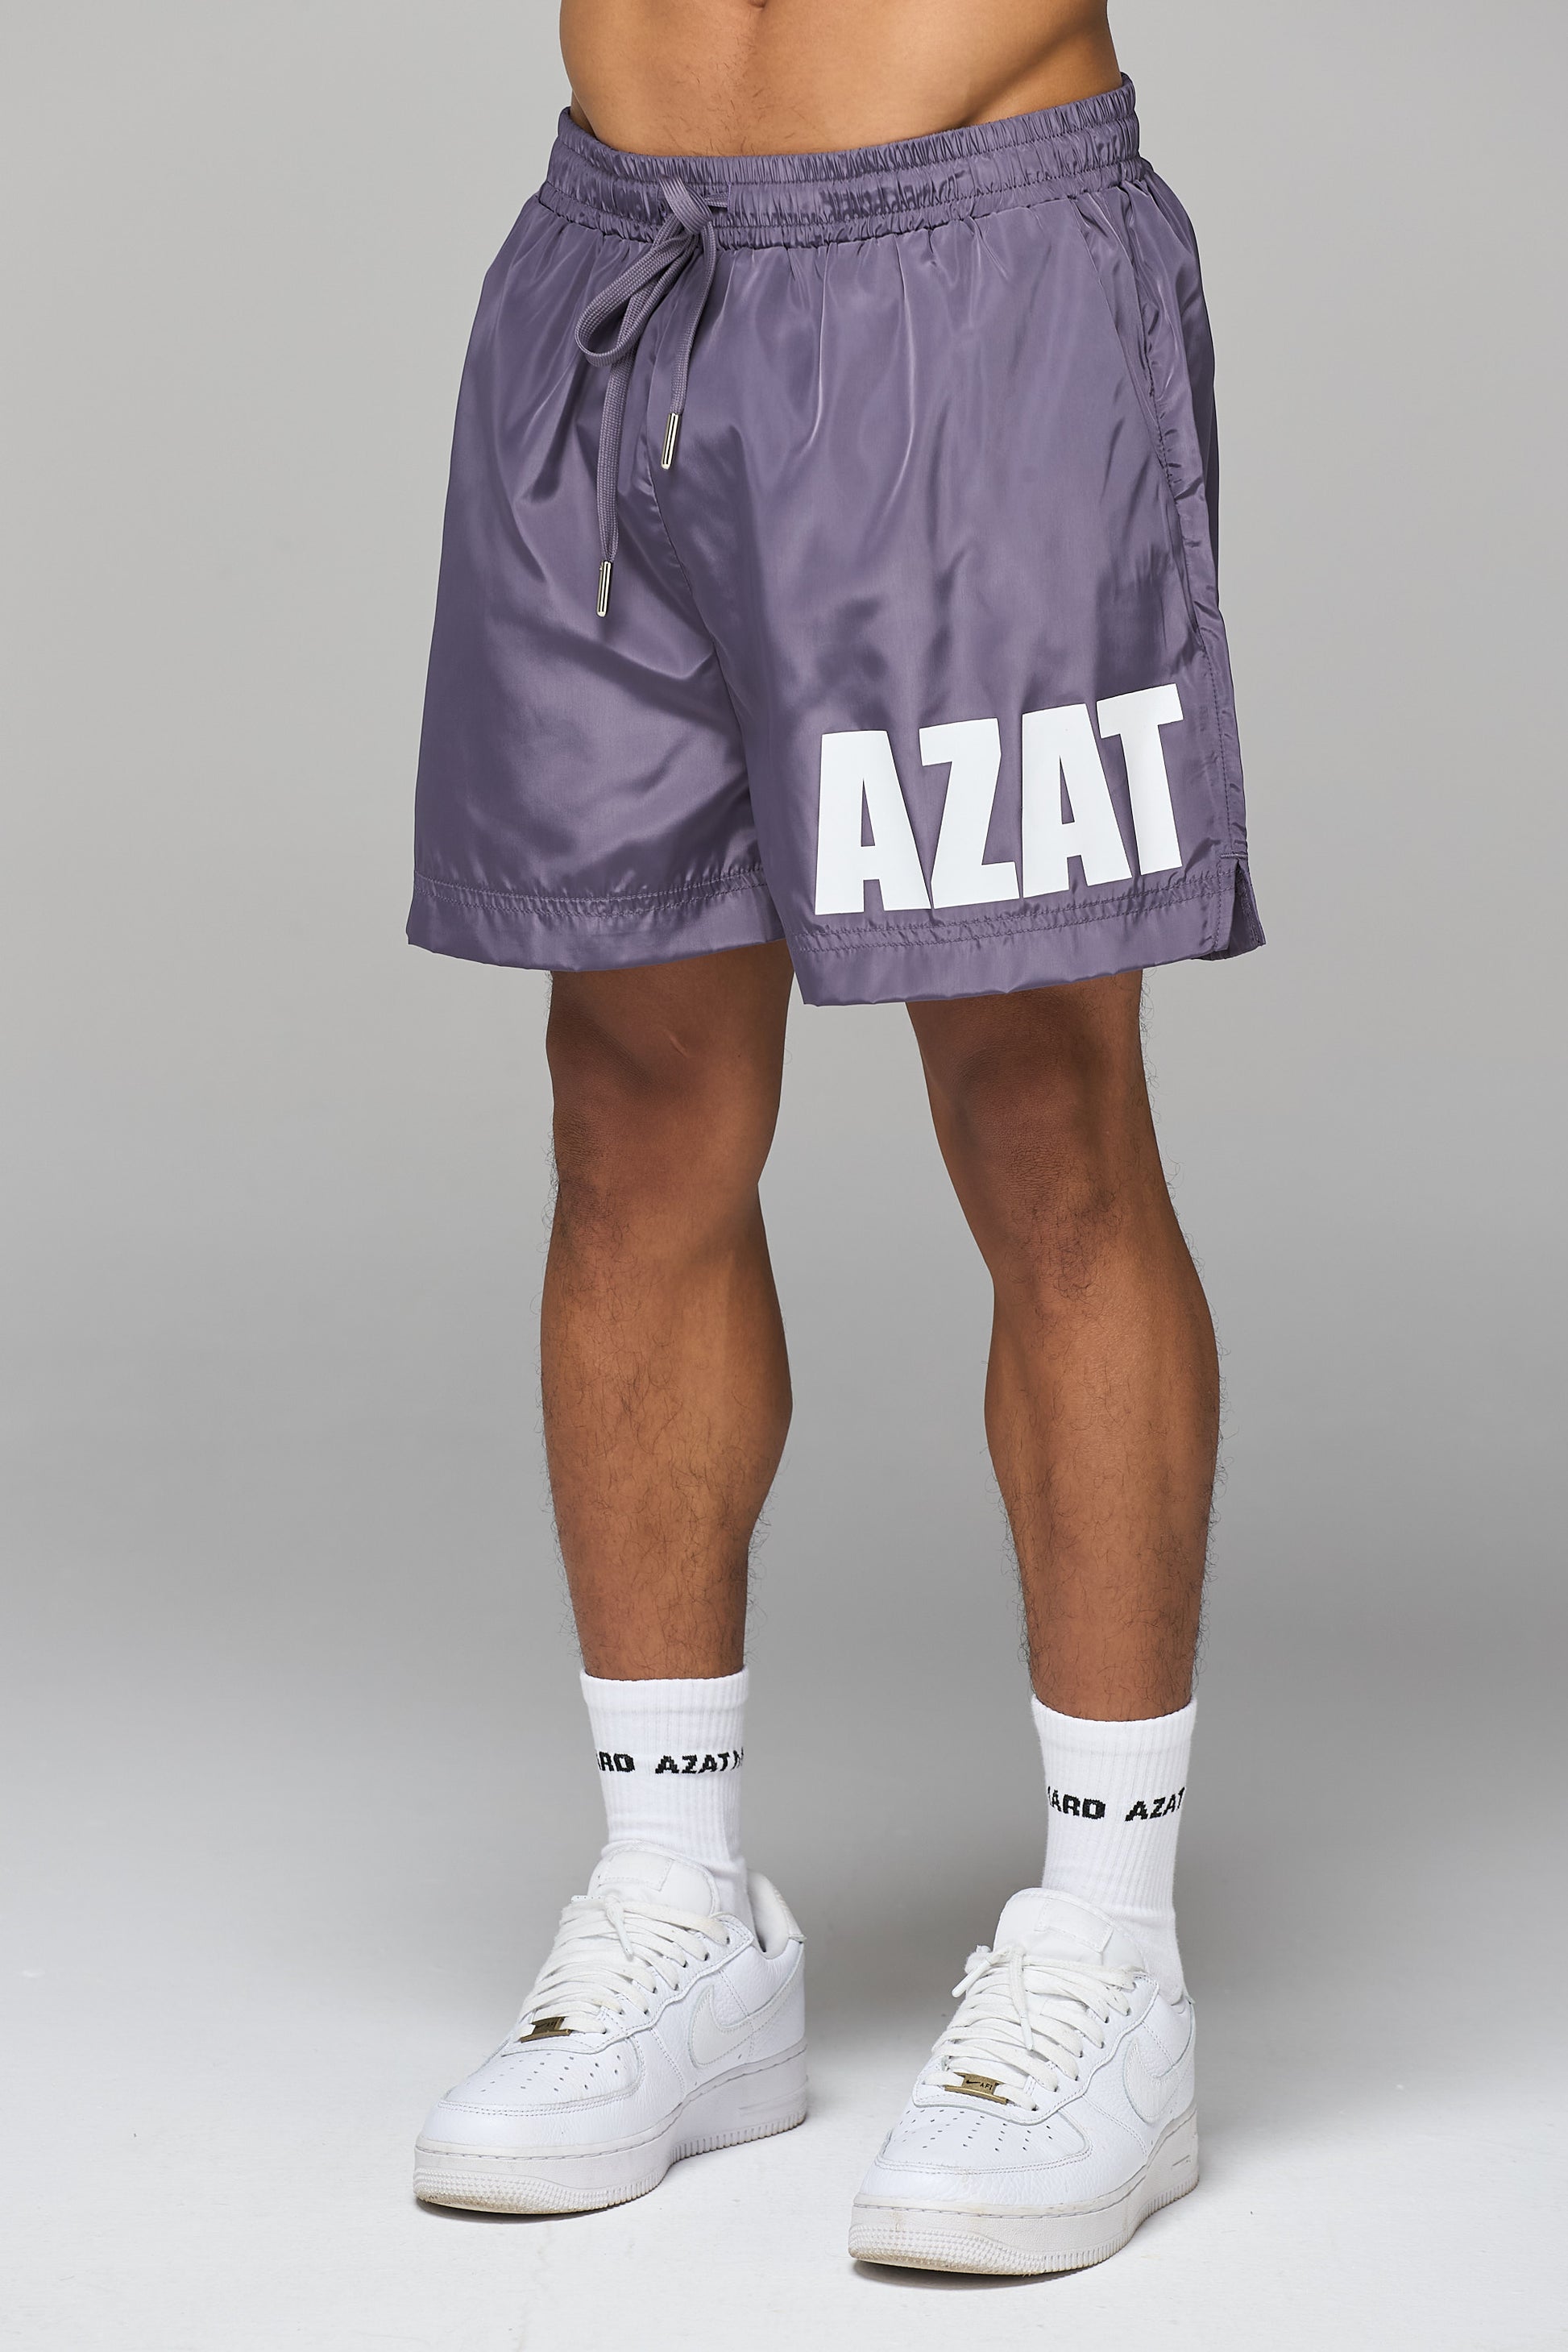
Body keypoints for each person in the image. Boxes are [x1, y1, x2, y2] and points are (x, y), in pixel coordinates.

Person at [408, 0, 1259, 2277]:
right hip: (618, 269)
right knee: (630, 1098)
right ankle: (677, 1907)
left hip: (967, 282)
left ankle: (1112, 1955)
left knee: (1040, 1106)